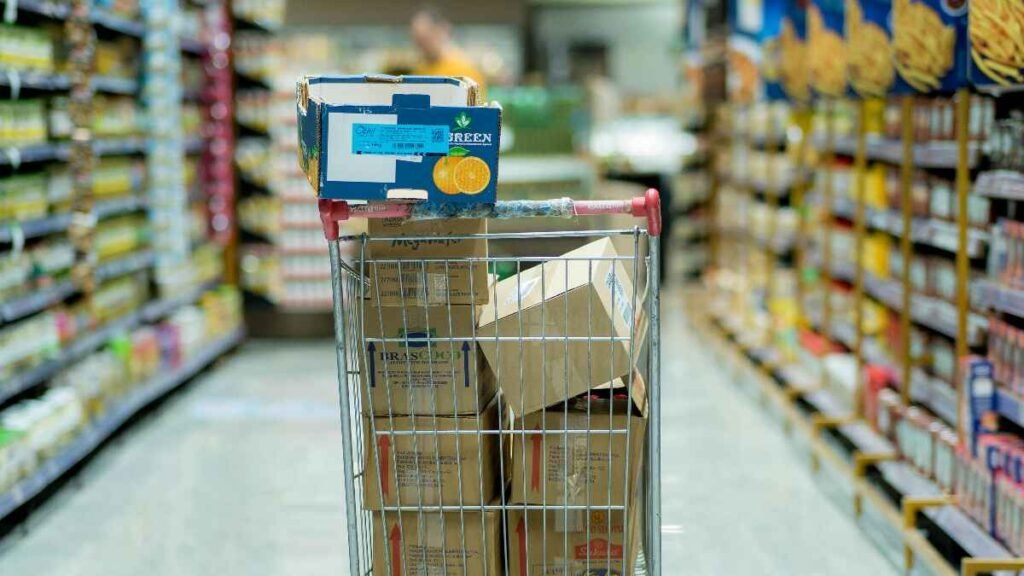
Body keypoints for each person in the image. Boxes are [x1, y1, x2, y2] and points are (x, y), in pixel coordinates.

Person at [410, 7, 487, 93]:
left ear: (443, 29)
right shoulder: (421, 69)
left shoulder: (465, 70)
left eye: (425, 38)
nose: (422, 46)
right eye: (417, 40)